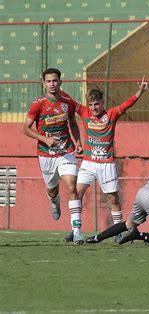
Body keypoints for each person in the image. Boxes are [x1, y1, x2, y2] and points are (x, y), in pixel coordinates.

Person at [63, 78, 149, 243]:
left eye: (97, 104)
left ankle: (118, 233)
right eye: (91, 104)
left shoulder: (111, 114)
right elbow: (69, 101)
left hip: (106, 165)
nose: (94, 108)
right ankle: (76, 230)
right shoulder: (84, 113)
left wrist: (141, 92)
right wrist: (56, 89)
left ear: (102, 103)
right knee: (75, 193)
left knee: (113, 199)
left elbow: (126, 104)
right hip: (88, 163)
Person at [23, 68, 85, 244]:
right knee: (52, 189)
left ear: (60, 82)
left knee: (72, 187)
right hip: (46, 154)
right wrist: (44, 139)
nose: (52, 84)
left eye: (55, 81)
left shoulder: (67, 101)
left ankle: (77, 230)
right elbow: (25, 129)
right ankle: (54, 200)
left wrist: (78, 141)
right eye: (49, 81)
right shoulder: (38, 104)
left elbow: (73, 122)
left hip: (66, 151)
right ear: (43, 83)